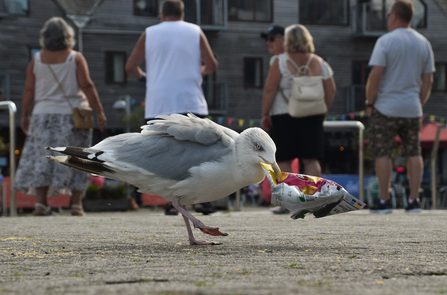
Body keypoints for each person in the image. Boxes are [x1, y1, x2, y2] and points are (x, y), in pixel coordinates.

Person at [125, 0, 218, 215]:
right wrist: (197, 73)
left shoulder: (149, 33)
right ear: (182, 14)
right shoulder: (195, 31)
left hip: (160, 102)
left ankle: (171, 202)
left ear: (162, 14)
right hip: (191, 99)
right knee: (201, 154)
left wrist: (146, 79)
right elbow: (211, 64)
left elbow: (130, 66)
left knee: (165, 155)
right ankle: (203, 201)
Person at [14, 17, 107, 216]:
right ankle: (76, 204)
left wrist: (24, 115)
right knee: (76, 157)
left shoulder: (37, 59)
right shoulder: (75, 58)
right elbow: (87, 85)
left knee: (42, 158)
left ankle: (41, 203)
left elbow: (29, 90)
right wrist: (99, 110)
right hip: (72, 116)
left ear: (45, 37)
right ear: (68, 36)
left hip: (42, 116)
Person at [366, 0, 434, 214]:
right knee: (414, 152)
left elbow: (375, 76)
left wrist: (370, 102)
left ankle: (385, 201)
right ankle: (414, 200)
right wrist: (419, 102)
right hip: (412, 107)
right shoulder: (424, 43)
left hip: (386, 107)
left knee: (383, 153)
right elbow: (428, 80)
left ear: (394, 16)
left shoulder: (385, 41)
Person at [261, 24, 336, 208]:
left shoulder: (279, 61)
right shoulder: (319, 62)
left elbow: (270, 89)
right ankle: (315, 199)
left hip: (283, 114)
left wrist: (265, 112)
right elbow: (331, 89)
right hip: (313, 114)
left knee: (285, 159)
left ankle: (290, 202)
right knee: (311, 159)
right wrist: (323, 108)